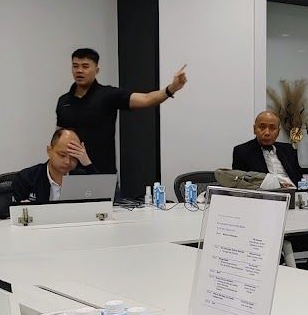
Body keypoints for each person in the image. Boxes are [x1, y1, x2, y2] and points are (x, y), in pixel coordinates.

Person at [55, 48, 188, 174]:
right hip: (69, 173)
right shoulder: (64, 101)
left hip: (103, 172)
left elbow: (146, 99)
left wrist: (172, 88)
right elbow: (57, 138)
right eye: (75, 66)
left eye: (85, 66)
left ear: (97, 70)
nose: (79, 70)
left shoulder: (108, 95)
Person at [11, 128, 97, 204]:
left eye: (74, 157)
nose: (67, 162)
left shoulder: (82, 178)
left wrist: (87, 163)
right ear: (49, 151)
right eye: (62, 155)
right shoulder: (26, 178)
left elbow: (103, 200)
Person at [231, 110, 303, 187]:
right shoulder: (242, 151)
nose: (267, 133)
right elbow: (241, 183)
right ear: (255, 129)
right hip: (266, 196)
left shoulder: (288, 149)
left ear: (278, 131)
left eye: (272, 128)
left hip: (295, 193)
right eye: (262, 127)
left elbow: (299, 178)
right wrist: (278, 186)